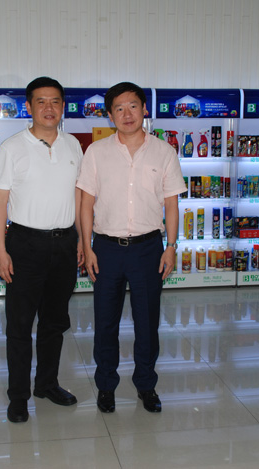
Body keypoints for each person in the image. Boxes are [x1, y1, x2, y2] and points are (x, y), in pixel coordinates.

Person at [77, 82, 185, 413]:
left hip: (148, 248)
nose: (127, 114)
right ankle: (106, 386)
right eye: (119, 108)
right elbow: (85, 204)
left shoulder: (164, 152)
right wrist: (87, 247)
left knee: (147, 322)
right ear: (110, 116)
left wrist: (171, 246)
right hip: (106, 249)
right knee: (105, 322)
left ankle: (146, 385)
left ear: (144, 109)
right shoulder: (96, 152)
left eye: (133, 106)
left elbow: (171, 205)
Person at [0, 76, 84, 423]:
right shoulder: (11, 148)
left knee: (54, 322)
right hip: (25, 244)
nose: (49, 108)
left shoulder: (73, 145)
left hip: (65, 243)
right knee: (19, 325)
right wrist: (1, 251)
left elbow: (79, 196)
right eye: (41, 101)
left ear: (63, 107)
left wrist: (82, 239)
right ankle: (18, 397)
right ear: (28, 107)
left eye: (55, 101)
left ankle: (46, 383)